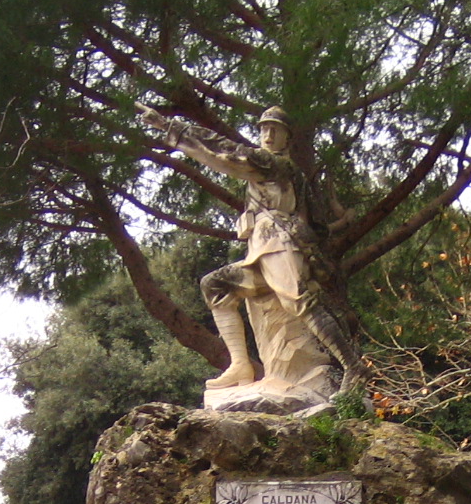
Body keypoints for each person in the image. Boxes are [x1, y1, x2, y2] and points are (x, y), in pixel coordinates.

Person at [139, 104, 363, 391]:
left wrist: (170, 127)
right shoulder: (296, 176)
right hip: (264, 250)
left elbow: (224, 152)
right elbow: (318, 227)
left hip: (278, 245)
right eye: (263, 129)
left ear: (288, 139)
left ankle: (353, 367)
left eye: (275, 130)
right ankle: (240, 366)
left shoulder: (273, 164)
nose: (268, 134)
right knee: (215, 286)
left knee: (299, 303)